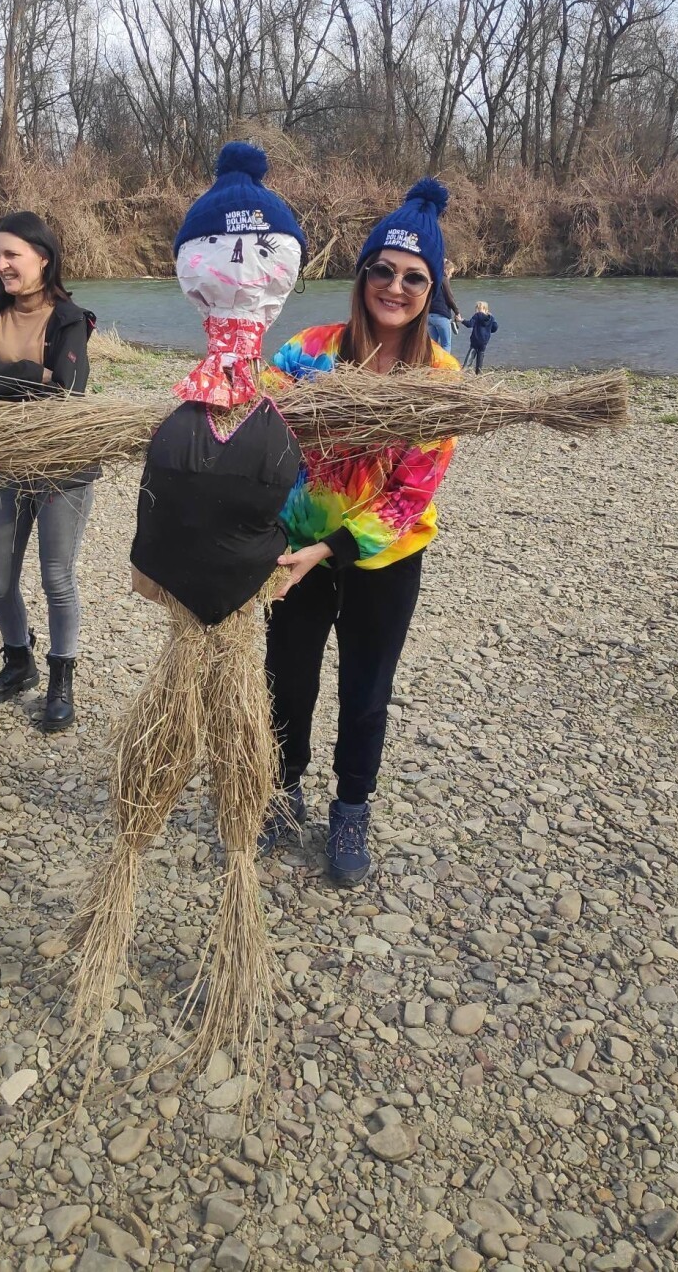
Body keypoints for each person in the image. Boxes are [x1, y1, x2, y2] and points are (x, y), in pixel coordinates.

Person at [263, 178, 459, 885]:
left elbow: (411, 496)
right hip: (295, 554)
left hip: (384, 558)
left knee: (366, 690)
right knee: (286, 681)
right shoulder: (305, 353)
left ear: (431, 289)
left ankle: (351, 808)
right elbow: (258, 439)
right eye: (383, 269)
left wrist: (330, 548)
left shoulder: (440, 381)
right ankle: (281, 794)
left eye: (414, 277)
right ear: (363, 273)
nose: (395, 287)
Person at [0, 211, 96, 731]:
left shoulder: (70, 318)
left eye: (12, 254)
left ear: (43, 256)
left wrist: (2, 377)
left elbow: (68, 392)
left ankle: (61, 677)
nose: (3, 264)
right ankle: (19, 662)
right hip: (6, 461)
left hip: (63, 466)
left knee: (57, 578)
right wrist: (32, 372)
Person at [426, 256, 460, 351]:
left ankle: (431, 364)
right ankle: (444, 365)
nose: (451, 275)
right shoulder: (443, 279)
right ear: (446, 270)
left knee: (433, 345)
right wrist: (457, 312)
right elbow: (449, 297)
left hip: (429, 316)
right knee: (446, 344)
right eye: (451, 272)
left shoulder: (432, 278)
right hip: (441, 315)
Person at [462, 302, 499, 374]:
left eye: (478, 308)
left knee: (472, 351)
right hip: (484, 340)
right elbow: (495, 328)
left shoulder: (477, 315)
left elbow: (470, 324)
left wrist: (462, 320)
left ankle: (465, 368)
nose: (477, 310)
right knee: (481, 354)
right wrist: (488, 330)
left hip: (475, 339)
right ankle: (478, 372)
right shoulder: (491, 318)